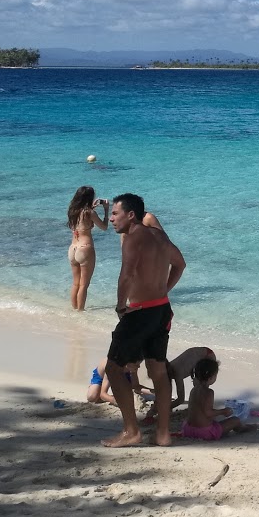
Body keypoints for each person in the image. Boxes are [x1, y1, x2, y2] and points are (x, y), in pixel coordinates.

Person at [101, 192, 186, 448]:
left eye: (115, 214)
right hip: (161, 310)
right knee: (158, 371)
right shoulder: (160, 236)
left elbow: (126, 275)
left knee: (114, 369)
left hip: (139, 313)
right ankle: (163, 434)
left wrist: (119, 306)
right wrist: (164, 290)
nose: (112, 219)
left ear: (131, 215)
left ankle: (131, 432)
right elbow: (180, 264)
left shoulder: (132, 237)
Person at [178, 357, 248, 441]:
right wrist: (223, 411)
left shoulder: (194, 390)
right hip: (204, 433)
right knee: (235, 420)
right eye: (215, 375)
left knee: (212, 420)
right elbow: (208, 412)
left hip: (188, 430)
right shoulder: (209, 392)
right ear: (211, 377)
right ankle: (243, 428)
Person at [66, 186, 108, 310]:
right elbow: (104, 227)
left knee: (75, 283)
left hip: (73, 248)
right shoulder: (89, 213)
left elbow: (82, 221)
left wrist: (92, 207)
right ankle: (80, 312)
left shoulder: (73, 211)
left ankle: (74, 310)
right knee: (84, 284)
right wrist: (106, 210)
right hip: (85, 248)